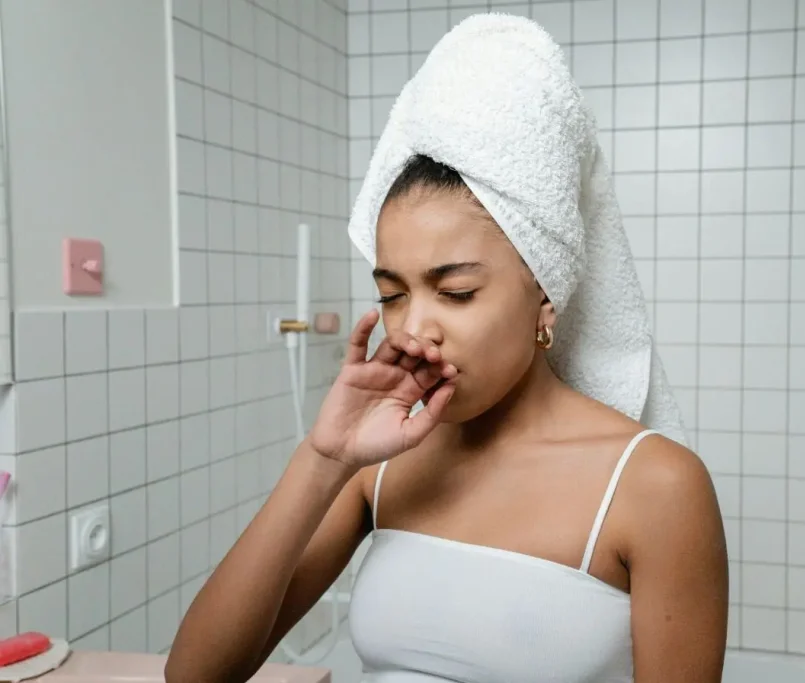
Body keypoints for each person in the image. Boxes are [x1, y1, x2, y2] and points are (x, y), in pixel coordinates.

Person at [166, 15, 728, 683]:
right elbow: (195, 673)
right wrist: (323, 459)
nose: (412, 331)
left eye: (456, 291)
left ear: (544, 295)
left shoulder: (655, 485)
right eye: (393, 293)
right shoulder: (380, 464)